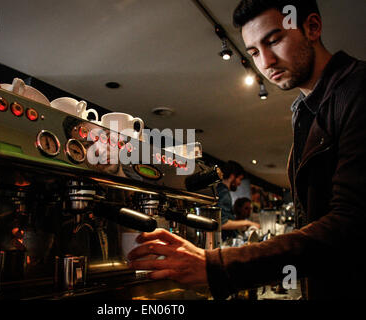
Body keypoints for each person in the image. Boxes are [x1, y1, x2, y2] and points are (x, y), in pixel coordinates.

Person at [128, 0, 366, 300]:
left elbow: (352, 224)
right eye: (253, 52)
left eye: (274, 40)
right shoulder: (304, 109)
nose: (265, 62)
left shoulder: (358, 88)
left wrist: (217, 265)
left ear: (312, 27)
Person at [217, 161, 259, 240]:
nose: (239, 183)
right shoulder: (224, 192)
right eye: (240, 179)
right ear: (232, 177)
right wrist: (249, 223)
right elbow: (222, 223)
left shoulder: (219, 190)